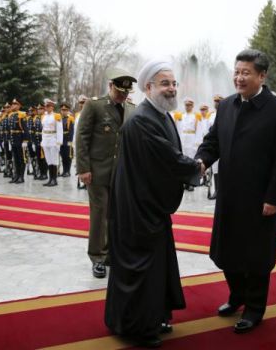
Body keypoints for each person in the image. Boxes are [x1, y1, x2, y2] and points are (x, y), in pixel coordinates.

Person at [195, 49, 276, 334]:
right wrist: (202, 160)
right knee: (227, 251)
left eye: (246, 73)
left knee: (256, 257)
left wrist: (274, 198)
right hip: (228, 195)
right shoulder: (226, 106)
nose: (239, 78)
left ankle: (254, 307)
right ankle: (236, 295)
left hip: (260, 199)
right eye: (237, 72)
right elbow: (212, 141)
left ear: (262, 76)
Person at [104, 60, 202, 348]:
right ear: (148, 87)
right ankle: (136, 327)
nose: (171, 89)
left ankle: (154, 317)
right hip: (137, 209)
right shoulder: (142, 119)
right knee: (141, 266)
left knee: (156, 266)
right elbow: (167, 158)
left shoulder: (160, 114)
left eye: (173, 83)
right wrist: (196, 167)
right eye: (164, 84)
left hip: (150, 205)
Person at [75, 69, 136, 278]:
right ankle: (97, 257)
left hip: (121, 173)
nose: (123, 96)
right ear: (110, 86)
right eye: (119, 92)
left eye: (126, 93)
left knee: (116, 215)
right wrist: (83, 169)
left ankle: (111, 254)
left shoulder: (131, 109)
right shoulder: (95, 106)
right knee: (100, 214)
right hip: (98, 170)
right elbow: (81, 136)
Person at [174, 98, 199, 191]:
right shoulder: (181, 116)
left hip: (192, 138)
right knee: (183, 160)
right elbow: (178, 129)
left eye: (189, 105)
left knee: (192, 161)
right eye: (186, 105)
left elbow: (198, 130)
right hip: (183, 138)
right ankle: (184, 182)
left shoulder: (196, 116)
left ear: (192, 106)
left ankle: (191, 182)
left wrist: (197, 143)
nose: (187, 107)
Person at [40, 99, 62, 187]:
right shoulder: (43, 116)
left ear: (52, 107)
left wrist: (59, 142)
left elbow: (59, 130)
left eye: (49, 106)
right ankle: (50, 179)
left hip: (53, 139)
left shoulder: (56, 116)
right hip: (45, 140)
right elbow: (43, 129)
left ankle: (54, 179)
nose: (47, 108)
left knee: (54, 160)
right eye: (46, 106)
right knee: (48, 160)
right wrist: (42, 140)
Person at [8, 98, 30, 184]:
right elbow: (10, 129)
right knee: (15, 159)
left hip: (20, 138)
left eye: (16, 104)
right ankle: (16, 176)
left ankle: (21, 176)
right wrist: (10, 140)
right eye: (13, 104)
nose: (13, 106)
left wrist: (25, 140)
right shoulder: (10, 115)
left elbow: (25, 129)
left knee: (22, 158)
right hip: (13, 139)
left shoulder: (22, 115)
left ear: (19, 106)